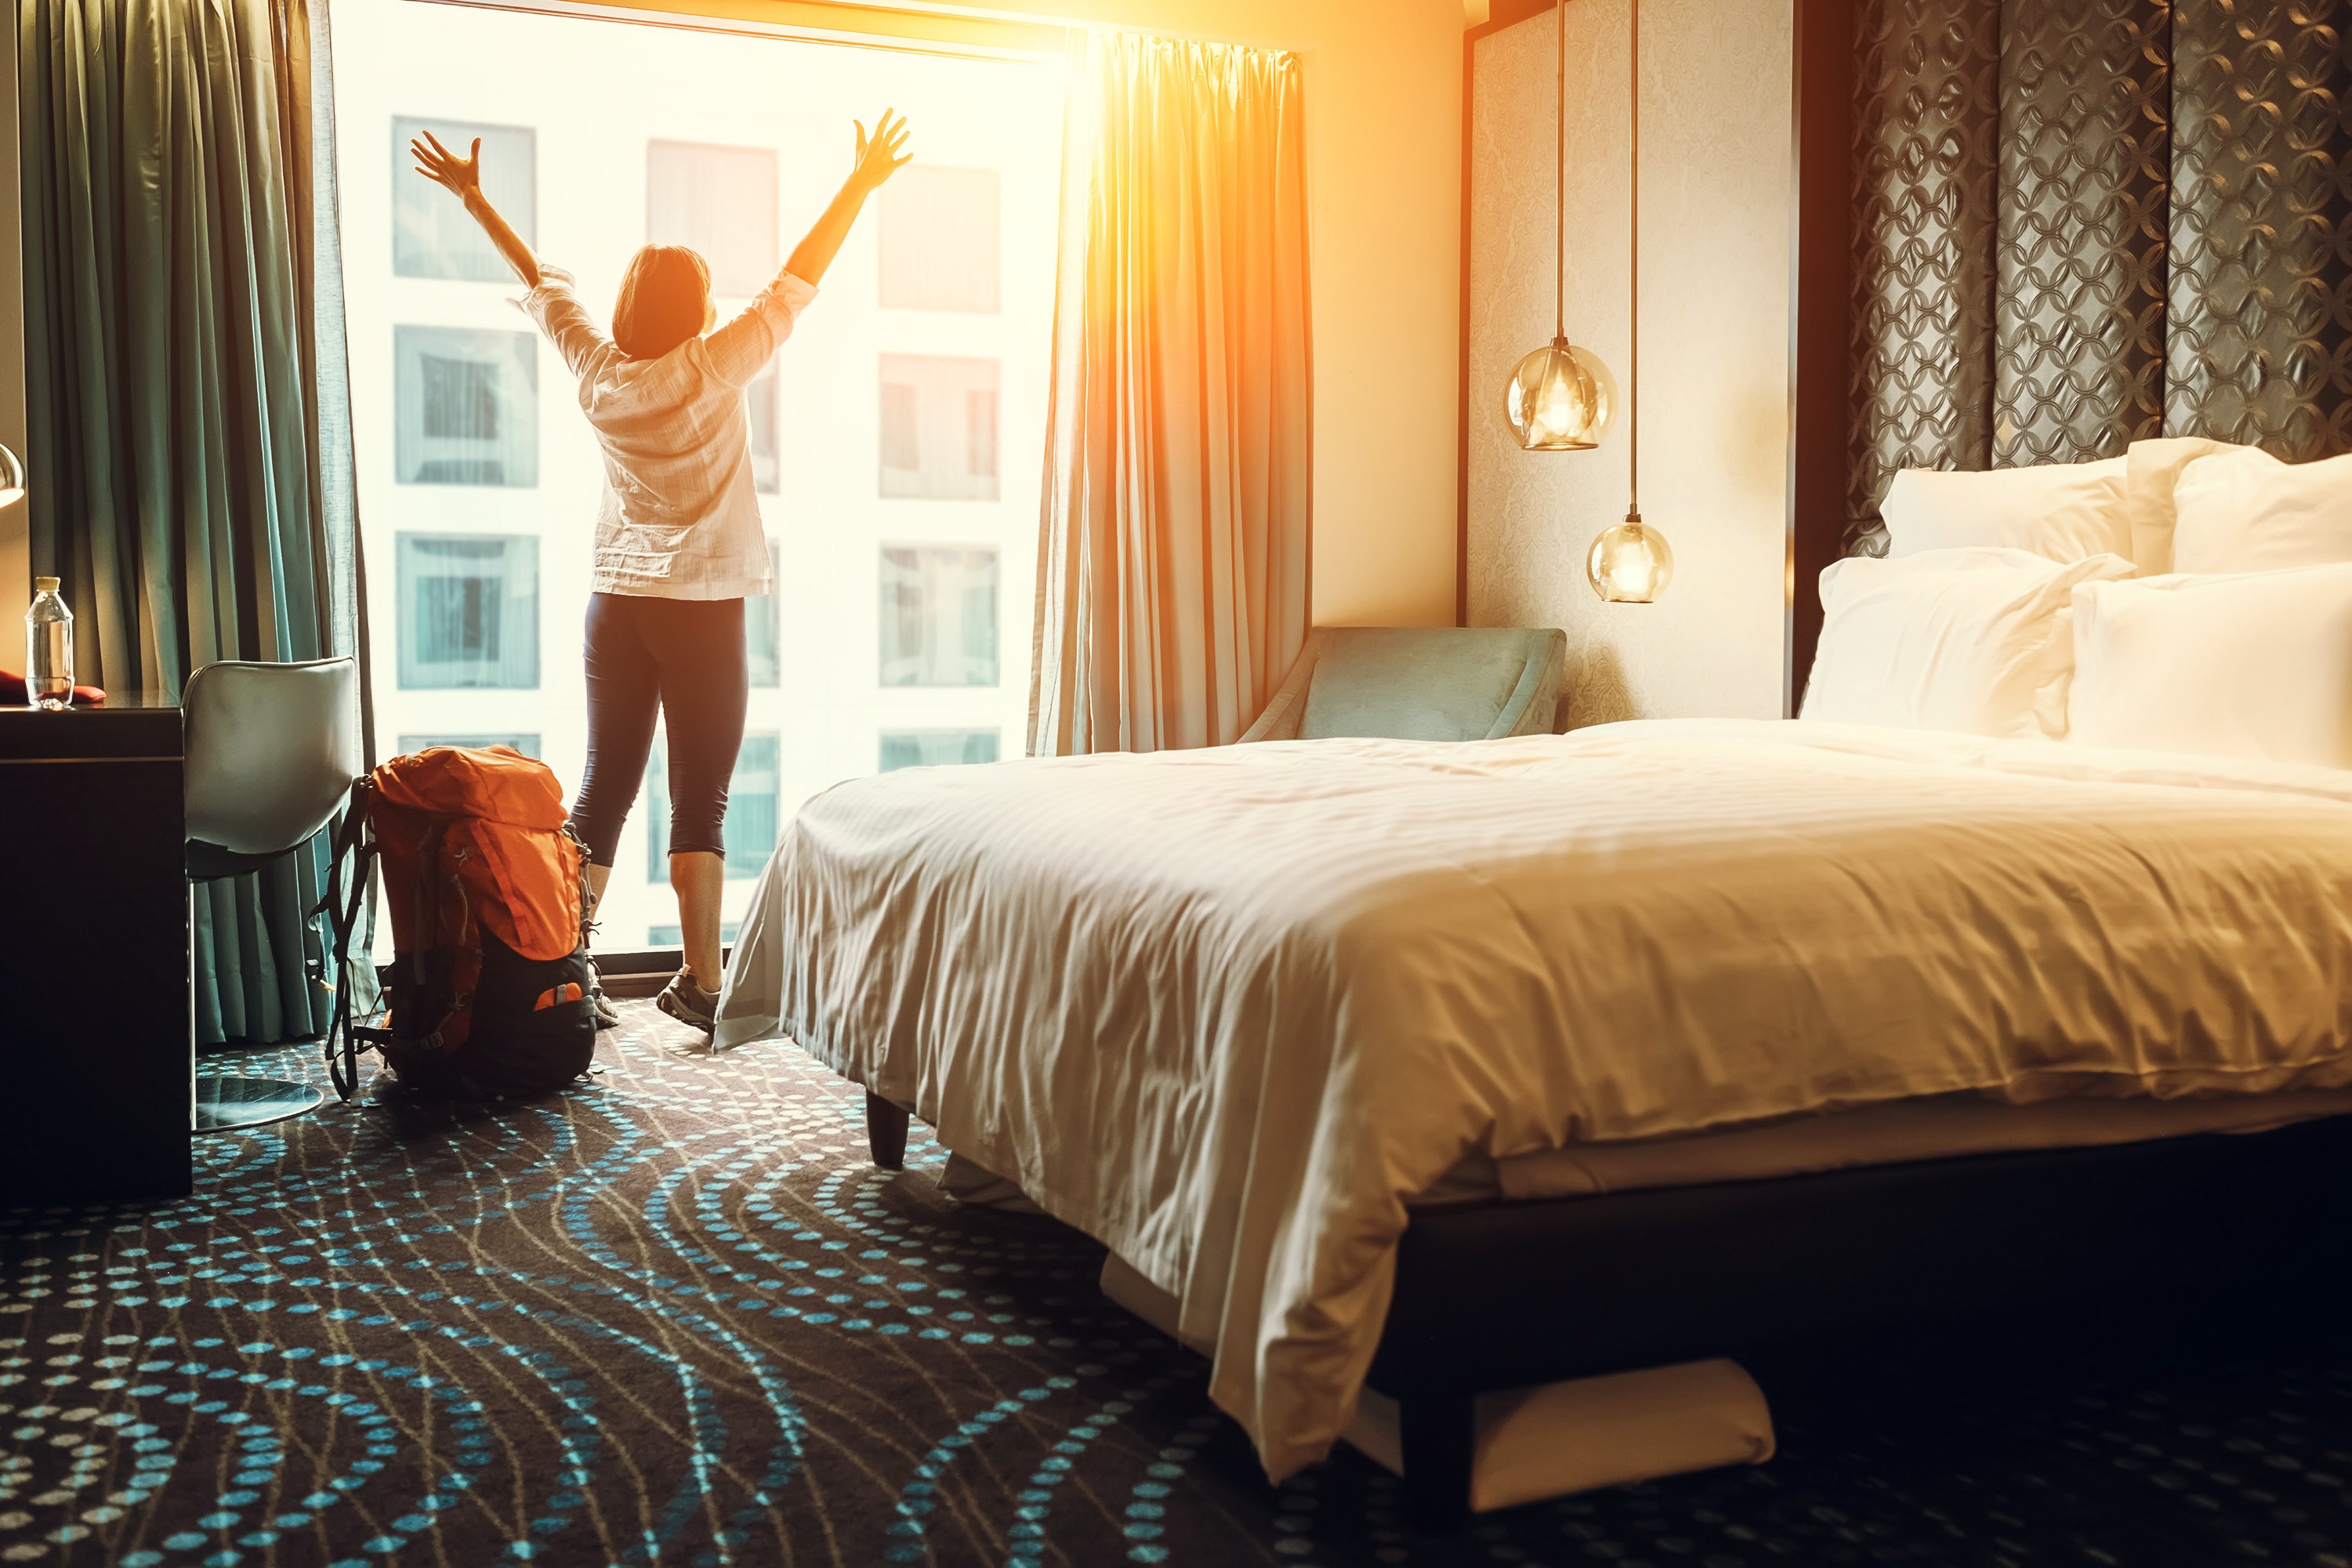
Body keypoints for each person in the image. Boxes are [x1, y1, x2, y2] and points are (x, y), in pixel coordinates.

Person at [411, 110, 911, 1034]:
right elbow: (795, 283)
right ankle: (703, 983)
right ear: (696, 311)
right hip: (701, 608)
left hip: (616, 606)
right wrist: (859, 184)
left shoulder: (598, 372)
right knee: (701, 801)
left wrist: (477, 199)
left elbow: (540, 283)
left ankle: (564, 973)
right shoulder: (714, 366)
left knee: (604, 789)